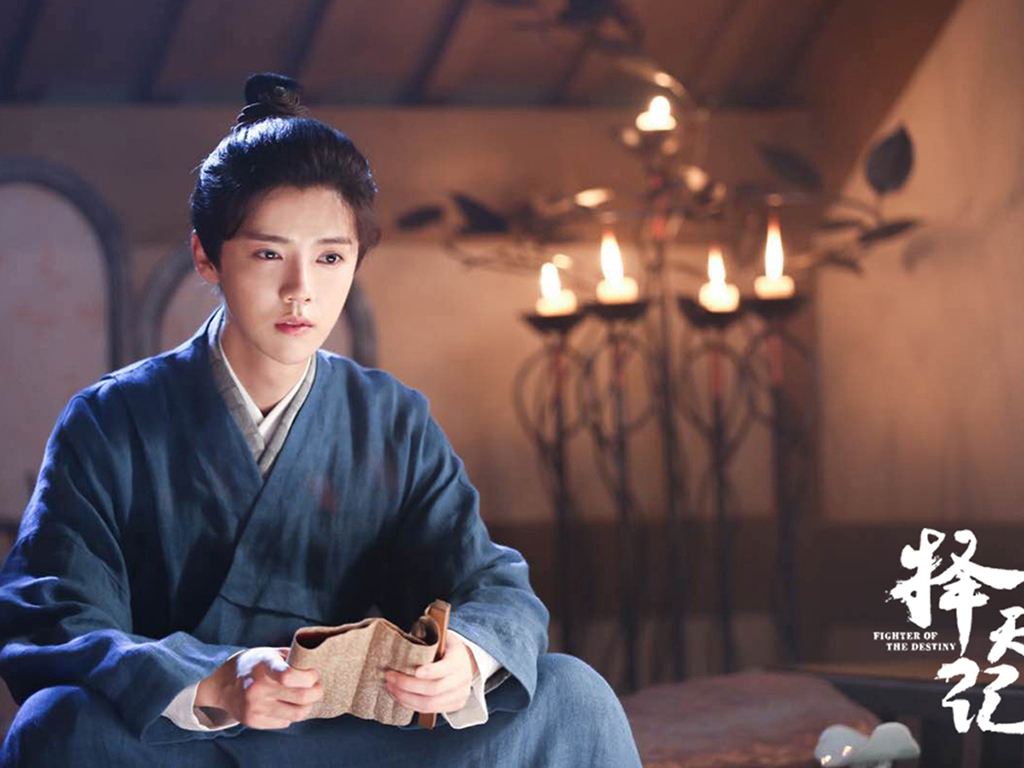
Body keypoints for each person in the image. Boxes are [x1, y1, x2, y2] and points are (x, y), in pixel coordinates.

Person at [0, 73, 642, 767]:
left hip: (355, 743)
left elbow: (489, 584)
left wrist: (464, 655)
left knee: (572, 694)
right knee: (57, 723)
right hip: (189, 740)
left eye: (331, 257)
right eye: (268, 254)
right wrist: (214, 681)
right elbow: (56, 615)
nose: (300, 290)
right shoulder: (110, 420)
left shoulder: (390, 419)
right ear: (206, 256)